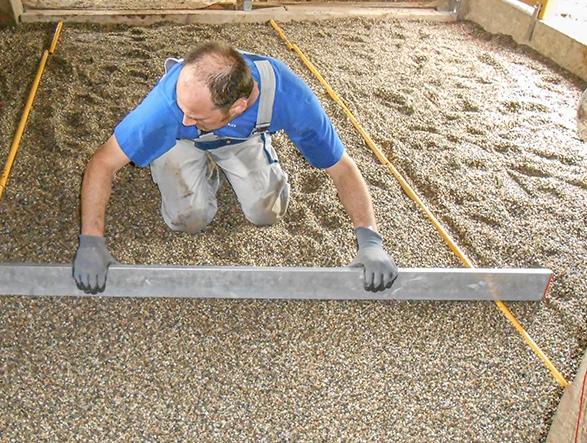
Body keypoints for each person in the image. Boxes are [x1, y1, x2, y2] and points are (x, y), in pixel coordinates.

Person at [72, 42, 398, 294]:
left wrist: (370, 242)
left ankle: (248, 150)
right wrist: (92, 242)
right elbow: (102, 163)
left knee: (266, 212)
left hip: (241, 137)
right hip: (180, 141)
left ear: (238, 107)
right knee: (190, 219)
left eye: (196, 115)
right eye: (183, 108)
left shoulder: (288, 97)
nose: (185, 117)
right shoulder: (169, 110)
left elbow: (341, 168)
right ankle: (205, 169)